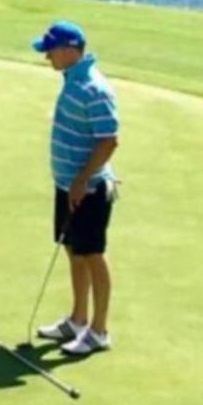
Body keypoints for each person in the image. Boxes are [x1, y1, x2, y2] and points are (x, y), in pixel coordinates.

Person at [32, 21, 120, 356]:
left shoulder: (93, 88)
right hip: (68, 185)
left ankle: (99, 331)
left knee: (92, 254)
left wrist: (83, 179)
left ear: (70, 50)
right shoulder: (73, 79)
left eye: (51, 51)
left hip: (89, 189)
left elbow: (109, 140)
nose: (47, 57)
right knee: (73, 249)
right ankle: (77, 319)